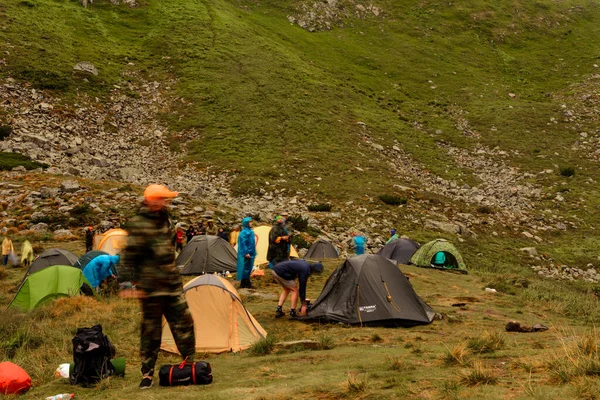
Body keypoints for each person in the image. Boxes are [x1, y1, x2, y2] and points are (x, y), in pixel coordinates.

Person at [118, 184, 195, 390]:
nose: (164, 202)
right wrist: (126, 283)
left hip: (172, 284)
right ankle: (147, 374)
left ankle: (188, 364)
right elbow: (128, 255)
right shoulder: (138, 223)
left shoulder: (167, 219)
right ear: (150, 199)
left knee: (184, 323)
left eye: (165, 199)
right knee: (151, 331)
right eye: (160, 198)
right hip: (150, 287)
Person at [236, 217, 256, 289]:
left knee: (249, 267)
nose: (251, 223)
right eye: (250, 222)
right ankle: (245, 283)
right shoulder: (244, 233)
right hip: (247, 253)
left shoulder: (250, 231)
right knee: (245, 268)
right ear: (246, 223)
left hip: (251, 252)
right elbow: (243, 244)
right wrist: (246, 252)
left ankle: (246, 282)